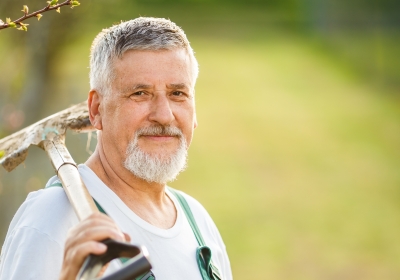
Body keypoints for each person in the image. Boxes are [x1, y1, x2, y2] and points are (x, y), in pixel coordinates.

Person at [0, 17, 232, 280]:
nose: (164, 115)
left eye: (177, 93)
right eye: (140, 94)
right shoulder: (51, 217)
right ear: (97, 109)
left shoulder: (198, 223)